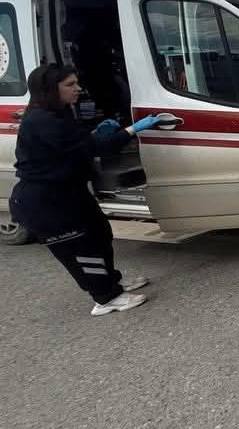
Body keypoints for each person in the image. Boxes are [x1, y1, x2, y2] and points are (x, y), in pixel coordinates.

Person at [11, 64, 168, 316]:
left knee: (100, 234)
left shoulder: (57, 113)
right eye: (70, 85)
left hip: (68, 193)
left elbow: (76, 144)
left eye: (76, 83)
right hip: (47, 202)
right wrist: (130, 130)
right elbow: (90, 148)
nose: (78, 89)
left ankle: (111, 282)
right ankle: (106, 298)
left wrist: (96, 133)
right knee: (82, 250)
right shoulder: (41, 120)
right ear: (51, 89)